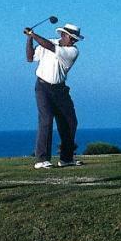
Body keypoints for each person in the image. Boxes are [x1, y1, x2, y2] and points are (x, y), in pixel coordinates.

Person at [24, 22, 85, 169]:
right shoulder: (48, 42)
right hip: (43, 87)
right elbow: (30, 57)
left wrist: (33, 34)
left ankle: (66, 158)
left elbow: (50, 47)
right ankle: (42, 159)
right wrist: (29, 38)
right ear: (63, 35)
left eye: (75, 39)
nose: (73, 41)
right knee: (46, 120)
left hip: (60, 90)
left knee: (71, 122)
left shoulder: (73, 51)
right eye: (71, 38)